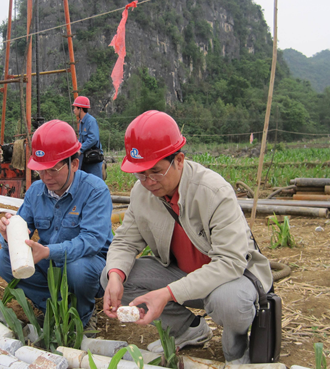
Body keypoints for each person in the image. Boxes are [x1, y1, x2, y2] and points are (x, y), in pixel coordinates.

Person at [101, 111, 273, 364]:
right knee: (111, 276)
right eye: (140, 174)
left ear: (179, 160)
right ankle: (189, 329)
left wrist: (167, 293)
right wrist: (115, 275)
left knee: (229, 302)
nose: (148, 182)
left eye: (156, 172)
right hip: (181, 275)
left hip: (227, 279)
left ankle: (238, 350)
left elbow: (231, 262)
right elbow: (125, 241)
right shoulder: (141, 193)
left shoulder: (213, 192)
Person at [0, 119, 113, 328]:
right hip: (51, 260)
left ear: (74, 164)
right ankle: (55, 309)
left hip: (91, 264)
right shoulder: (35, 192)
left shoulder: (95, 190)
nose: (46, 177)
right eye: (41, 170)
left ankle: (84, 315)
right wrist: (9, 237)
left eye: (53, 169)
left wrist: (48, 252)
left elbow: (92, 241)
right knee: (3, 259)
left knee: (77, 268)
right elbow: (23, 231)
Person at [73, 96, 104, 179]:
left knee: (95, 182)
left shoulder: (91, 121)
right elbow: (81, 139)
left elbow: (93, 138)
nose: (74, 110)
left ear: (81, 109)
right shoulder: (82, 122)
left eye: (75, 108)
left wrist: (81, 149)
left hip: (93, 158)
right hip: (85, 158)